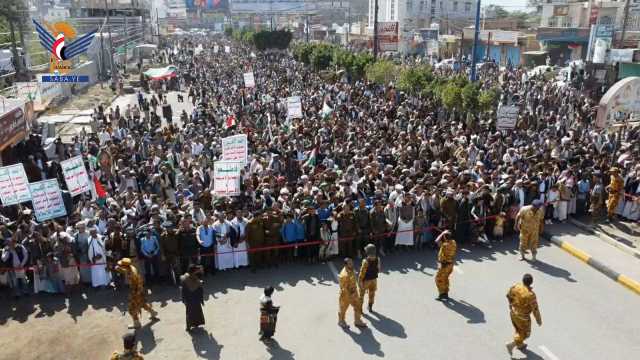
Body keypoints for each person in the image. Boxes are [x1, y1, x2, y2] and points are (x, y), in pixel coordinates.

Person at [114, 258, 159, 329]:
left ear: (125, 266)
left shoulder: (131, 274)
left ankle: (136, 323)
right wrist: (118, 268)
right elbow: (122, 270)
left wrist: (136, 294)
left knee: (131, 308)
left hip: (136, 291)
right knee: (143, 303)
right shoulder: (131, 267)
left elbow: (138, 283)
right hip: (139, 290)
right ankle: (153, 313)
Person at [505, 273, 542, 355]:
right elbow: (535, 309)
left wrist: (511, 305)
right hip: (523, 317)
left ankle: (520, 344)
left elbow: (508, 295)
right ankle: (511, 345)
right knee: (526, 333)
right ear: (531, 282)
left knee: (518, 329)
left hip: (513, 313)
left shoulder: (516, 286)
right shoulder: (530, 295)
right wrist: (538, 320)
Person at [338, 257, 367, 328]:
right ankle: (341, 321)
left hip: (354, 292)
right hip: (346, 295)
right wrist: (350, 294)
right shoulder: (344, 275)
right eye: (350, 263)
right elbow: (343, 288)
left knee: (358, 306)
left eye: (352, 262)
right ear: (346, 265)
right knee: (343, 309)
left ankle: (357, 321)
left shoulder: (351, 269)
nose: (352, 264)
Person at [180, 264, 205, 332]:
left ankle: (195, 324)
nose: (197, 271)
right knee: (190, 313)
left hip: (193, 299)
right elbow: (193, 287)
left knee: (196, 311)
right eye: (196, 270)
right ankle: (188, 327)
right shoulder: (187, 278)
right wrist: (200, 283)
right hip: (190, 299)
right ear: (193, 271)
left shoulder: (190, 276)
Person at [434, 230, 457, 301]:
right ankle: (446, 293)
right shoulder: (453, 242)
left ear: (445, 237)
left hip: (445, 265)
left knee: (438, 279)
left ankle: (442, 294)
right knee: (445, 278)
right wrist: (446, 233)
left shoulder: (445, 245)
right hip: (450, 265)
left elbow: (436, 240)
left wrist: (442, 233)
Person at [359, 243, 381, 312]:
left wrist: (360, 282)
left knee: (361, 295)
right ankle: (370, 307)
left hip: (366, 281)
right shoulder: (378, 259)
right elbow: (379, 270)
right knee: (372, 294)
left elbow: (362, 273)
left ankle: (360, 309)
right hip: (374, 280)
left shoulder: (365, 261)